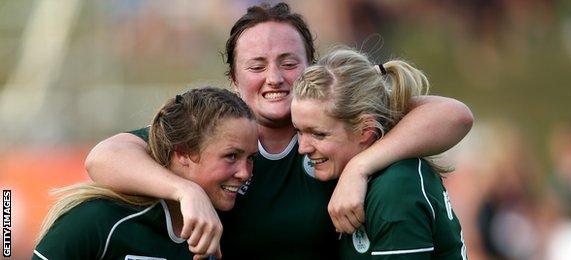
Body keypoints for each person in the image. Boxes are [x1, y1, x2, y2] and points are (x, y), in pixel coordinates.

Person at [85, 2, 474, 259]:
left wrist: (360, 167)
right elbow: (103, 157)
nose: (274, 78)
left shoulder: (342, 125)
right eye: (256, 66)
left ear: (312, 69)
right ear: (234, 82)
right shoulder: (213, 133)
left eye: (289, 63)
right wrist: (185, 191)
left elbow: (453, 115)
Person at [33, 87, 257, 260]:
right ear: (183, 153)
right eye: (231, 156)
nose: (245, 173)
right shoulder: (100, 219)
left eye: (250, 158)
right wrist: (188, 192)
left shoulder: (227, 223)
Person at [291, 47, 467, 259]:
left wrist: (357, 168)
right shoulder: (370, 176)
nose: (303, 147)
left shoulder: (395, 189)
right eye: (299, 131)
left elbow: (458, 115)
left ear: (366, 131)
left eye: (318, 134)